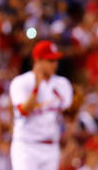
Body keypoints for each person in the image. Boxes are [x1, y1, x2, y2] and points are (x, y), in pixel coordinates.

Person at [9, 40, 73, 170]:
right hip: (26, 147)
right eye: (50, 61)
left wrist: (68, 143)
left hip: (51, 147)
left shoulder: (62, 84)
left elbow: (68, 116)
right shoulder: (21, 82)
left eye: (56, 60)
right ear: (37, 60)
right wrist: (35, 89)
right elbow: (23, 110)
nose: (54, 64)